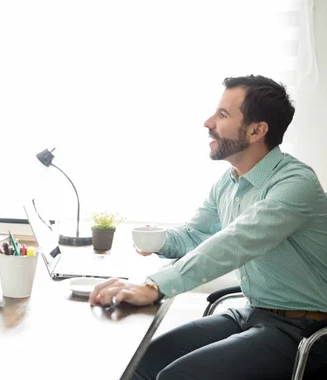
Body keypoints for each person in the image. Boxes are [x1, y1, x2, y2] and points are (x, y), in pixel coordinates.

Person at [89, 75, 327, 379]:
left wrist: (154, 285)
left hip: (306, 329)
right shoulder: (230, 182)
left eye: (223, 115)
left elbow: (235, 242)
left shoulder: (295, 184)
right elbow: (197, 234)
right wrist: (155, 240)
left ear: (257, 130)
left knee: (178, 376)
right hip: (252, 312)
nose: (208, 122)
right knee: (141, 362)